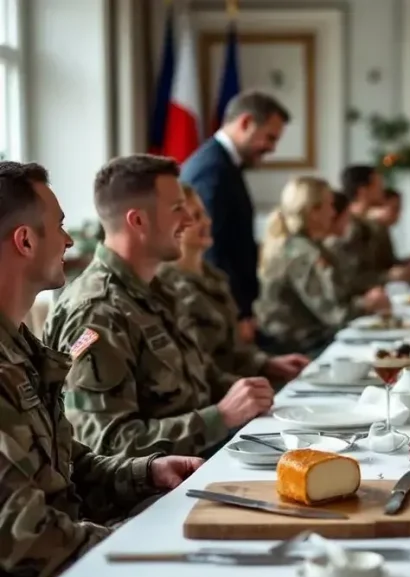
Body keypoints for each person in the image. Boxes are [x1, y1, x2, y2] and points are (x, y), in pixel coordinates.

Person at [0, 161, 202, 577]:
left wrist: (146, 473)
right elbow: (24, 538)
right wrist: (137, 541)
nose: (71, 242)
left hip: (64, 570)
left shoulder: (19, 347)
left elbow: (68, 462)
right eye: (60, 227)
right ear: (25, 241)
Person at [43, 155, 274, 458]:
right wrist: (220, 418)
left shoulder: (158, 290)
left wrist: (252, 391)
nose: (189, 221)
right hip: (149, 496)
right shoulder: (97, 311)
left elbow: (199, 378)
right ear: (137, 220)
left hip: (200, 459)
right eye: (177, 208)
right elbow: (106, 444)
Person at [157, 184, 309, 383]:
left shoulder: (215, 278)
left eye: (204, 214)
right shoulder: (166, 286)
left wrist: (267, 364)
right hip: (216, 398)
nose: (207, 222)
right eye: (196, 217)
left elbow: (234, 352)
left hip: (240, 387)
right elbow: (198, 368)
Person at [180, 90, 290, 345]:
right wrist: (237, 314)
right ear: (245, 123)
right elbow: (212, 248)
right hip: (221, 314)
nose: (272, 148)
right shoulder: (212, 170)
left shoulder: (224, 164)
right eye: (269, 137)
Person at [255, 176, 391, 356]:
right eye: (329, 205)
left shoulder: (304, 244)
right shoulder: (302, 253)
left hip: (305, 341)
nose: (333, 213)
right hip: (298, 349)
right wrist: (367, 303)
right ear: (313, 211)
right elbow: (335, 315)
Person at [337, 165, 410, 288]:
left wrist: (407, 264)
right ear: (363, 191)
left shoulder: (376, 224)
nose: (383, 191)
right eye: (378, 186)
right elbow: (350, 277)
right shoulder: (347, 226)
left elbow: (385, 264)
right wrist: (388, 276)